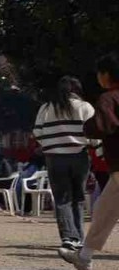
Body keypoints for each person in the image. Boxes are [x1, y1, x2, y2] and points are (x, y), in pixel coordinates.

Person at [61, 54, 119, 270]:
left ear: (106, 75)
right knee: (104, 210)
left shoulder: (109, 98)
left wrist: (88, 127)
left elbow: (103, 126)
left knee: (104, 210)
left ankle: (84, 256)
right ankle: (84, 257)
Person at [33, 75, 96, 251]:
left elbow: (37, 132)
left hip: (54, 158)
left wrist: (50, 144)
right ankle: (79, 238)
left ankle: (69, 237)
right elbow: (94, 133)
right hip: (80, 157)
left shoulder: (46, 108)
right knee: (78, 198)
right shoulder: (85, 107)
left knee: (62, 199)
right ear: (77, 90)